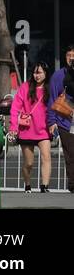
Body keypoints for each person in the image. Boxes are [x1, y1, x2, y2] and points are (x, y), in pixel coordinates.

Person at [9, 60, 52, 193]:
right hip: (26, 130)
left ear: (46, 73)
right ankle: (27, 184)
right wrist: (13, 127)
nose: (36, 75)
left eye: (39, 72)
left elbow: (56, 106)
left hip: (44, 130)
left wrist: (54, 123)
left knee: (46, 157)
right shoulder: (25, 87)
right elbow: (15, 108)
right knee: (29, 163)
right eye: (34, 72)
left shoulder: (51, 88)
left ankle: (44, 186)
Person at [46, 45, 74, 192]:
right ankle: (73, 184)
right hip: (65, 121)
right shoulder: (58, 76)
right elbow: (52, 99)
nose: (71, 58)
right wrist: (51, 121)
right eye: (69, 55)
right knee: (70, 154)